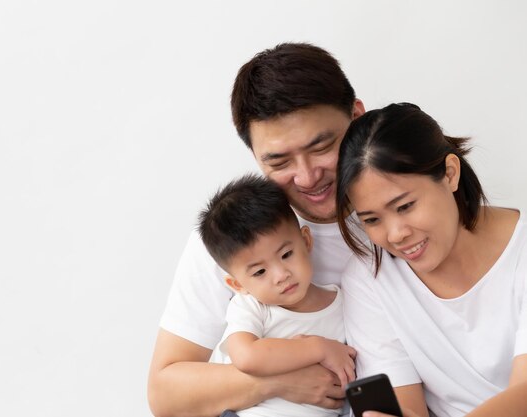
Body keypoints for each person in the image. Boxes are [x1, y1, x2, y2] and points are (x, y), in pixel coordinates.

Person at [147, 42, 366, 417]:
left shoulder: (404, 216)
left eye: (322, 146)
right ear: (256, 157)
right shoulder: (234, 237)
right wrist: (275, 382)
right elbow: (165, 394)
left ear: (358, 117)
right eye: (279, 160)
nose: (308, 176)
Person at [335, 102, 527, 417]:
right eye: (371, 220)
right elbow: (406, 405)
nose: (395, 234)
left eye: (405, 205)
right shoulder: (368, 276)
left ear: (450, 174)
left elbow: (524, 395)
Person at [199, 173, 356, 417]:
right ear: (238, 284)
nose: (281, 275)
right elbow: (246, 356)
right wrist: (318, 348)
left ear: (305, 241)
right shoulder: (252, 307)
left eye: (286, 255)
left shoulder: (346, 305)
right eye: (260, 271)